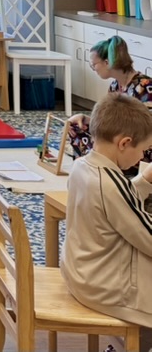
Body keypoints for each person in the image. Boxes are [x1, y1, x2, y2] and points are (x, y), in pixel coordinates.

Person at [61, 93, 152, 333]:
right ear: (124, 143)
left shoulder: (83, 166)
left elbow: (115, 204)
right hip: (107, 289)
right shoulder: (112, 183)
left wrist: (144, 179)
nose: (142, 157)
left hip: (80, 274)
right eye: (143, 150)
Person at [64, 36, 152, 168]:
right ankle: (90, 169)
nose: (94, 69)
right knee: (78, 129)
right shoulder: (115, 86)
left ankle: (104, 168)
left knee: (104, 145)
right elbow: (111, 121)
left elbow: (146, 130)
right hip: (121, 139)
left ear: (106, 62)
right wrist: (86, 120)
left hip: (139, 144)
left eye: (94, 65)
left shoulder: (145, 86)